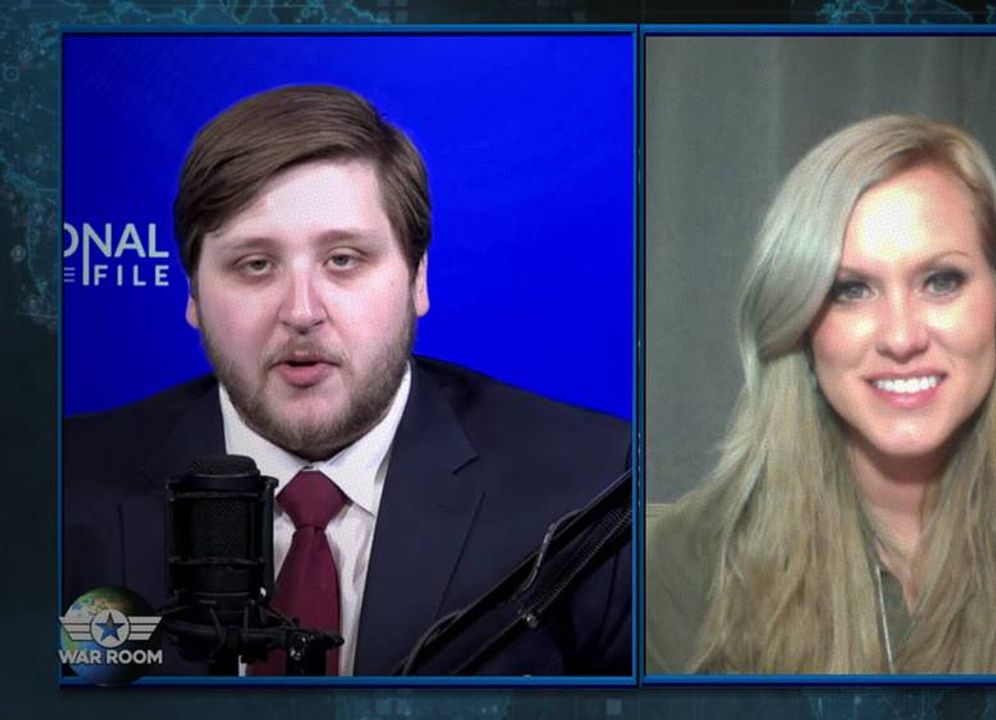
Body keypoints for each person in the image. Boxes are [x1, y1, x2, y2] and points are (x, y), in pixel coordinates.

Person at [63, 85, 631, 676]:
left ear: (418, 279)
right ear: (193, 295)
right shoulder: (56, 485)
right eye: (255, 264)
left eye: (343, 259)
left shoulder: (597, 489)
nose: (301, 311)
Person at [645, 115, 996, 675]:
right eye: (851, 289)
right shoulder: (689, 559)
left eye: (941, 281)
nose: (901, 337)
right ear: (799, 324)